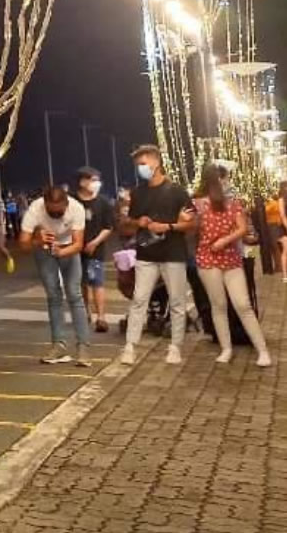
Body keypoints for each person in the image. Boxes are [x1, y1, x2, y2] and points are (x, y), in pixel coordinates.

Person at [118, 145, 196, 366]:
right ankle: (130, 346)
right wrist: (138, 222)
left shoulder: (177, 192)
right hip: (146, 254)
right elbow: (127, 224)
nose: (141, 169)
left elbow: (191, 224)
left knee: (177, 301)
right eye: (138, 165)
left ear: (157, 162)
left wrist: (168, 226)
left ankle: (175, 347)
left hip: (173, 253)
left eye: (143, 164)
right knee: (139, 299)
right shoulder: (138, 193)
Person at [192, 165, 271, 367]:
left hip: (230, 258)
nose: (227, 183)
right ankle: (226, 348)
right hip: (207, 259)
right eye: (225, 179)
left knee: (243, 304)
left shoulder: (233, 204)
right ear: (216, 180)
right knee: (218, 305)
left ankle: (262, 350)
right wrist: (187, 221)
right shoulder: (198, 204)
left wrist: (225, 240)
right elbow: (190, 228)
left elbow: (243, 228)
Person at [19, 185, 92, 365]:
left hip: (69, 247)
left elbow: (79, 244)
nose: (56, 215)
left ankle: (83, 347)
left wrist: (61, 252)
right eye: (52, 212)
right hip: (44, 249)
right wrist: (37, 240)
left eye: (60, 212)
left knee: (74, 294)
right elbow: (23, 244)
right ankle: (58, 344)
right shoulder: (35, 209)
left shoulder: (76, 208)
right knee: (53, 296)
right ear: (45, 205)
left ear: (66, 204)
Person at [76, 167, 116, 332]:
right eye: (93, 180)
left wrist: (94, 243)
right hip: (75, 249)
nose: (96, 183)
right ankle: (85, 312)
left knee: (97, 282)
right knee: (81, 283)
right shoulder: (72, 201)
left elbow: (108, 227)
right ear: (82, 182)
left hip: (96, 250)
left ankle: (101, 317)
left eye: (97, 180)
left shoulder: (104, 202)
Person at [275, 180, 287, 284]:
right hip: (283, 228)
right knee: (286, 251)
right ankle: (285, 275)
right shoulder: (281, 199)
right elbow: (282, 215)